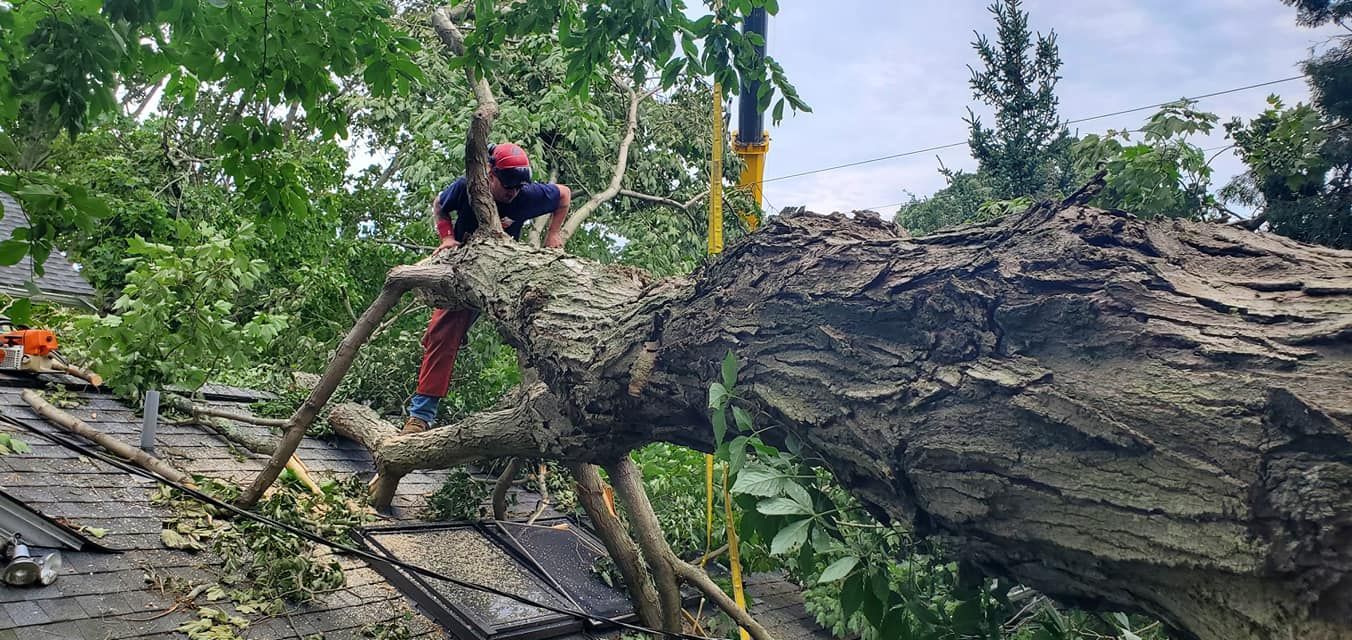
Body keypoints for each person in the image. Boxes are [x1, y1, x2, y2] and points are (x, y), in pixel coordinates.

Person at [402, 143, 571, 434]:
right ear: (490, 174)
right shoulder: (465, 188)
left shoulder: (525, 196)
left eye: (519, 186)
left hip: (501, 273)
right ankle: (421, 417)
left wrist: (554, 233)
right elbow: (439, 205)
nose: (513, 192)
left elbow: (564, 195)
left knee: (532, 320)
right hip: (461, 271)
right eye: (508, 185)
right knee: (441, 334)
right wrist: (446, 238)